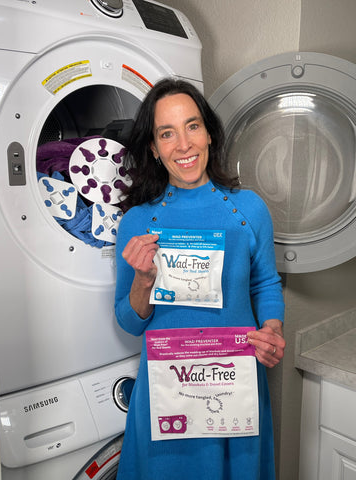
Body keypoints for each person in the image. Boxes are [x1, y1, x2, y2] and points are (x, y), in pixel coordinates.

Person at [114, 77, 285, 480]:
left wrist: (273, 328)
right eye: (167, 133)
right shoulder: (138, 222)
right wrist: (142, 280)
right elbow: (127, 320)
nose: (184, 145)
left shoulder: (249, 208)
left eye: (192, 126)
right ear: (154, 149)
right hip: (167, 394)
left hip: (234, 386)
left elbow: (264, 284)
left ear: (209, 133)